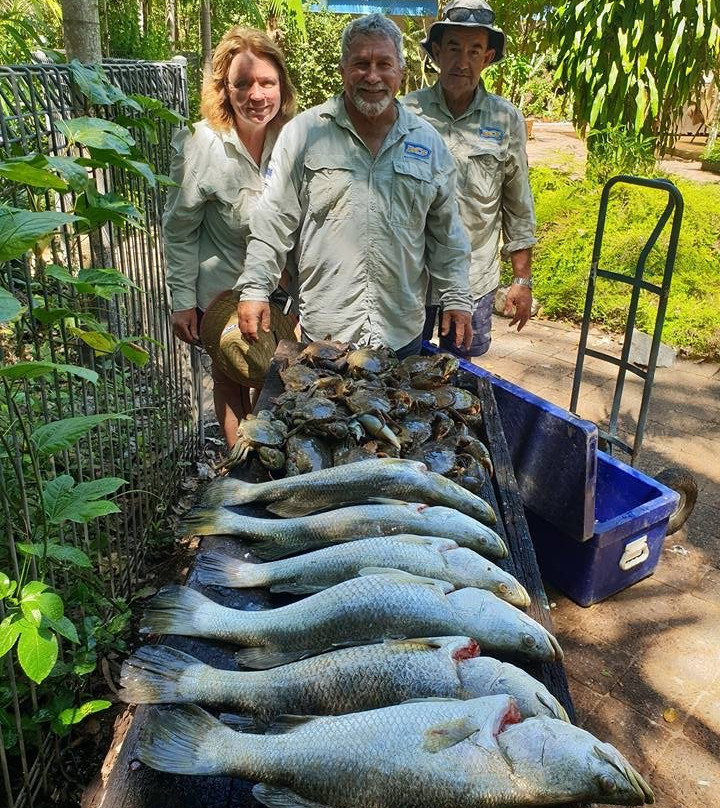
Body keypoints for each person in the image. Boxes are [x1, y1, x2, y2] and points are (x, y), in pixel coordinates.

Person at [235, 14, 473, 360]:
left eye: (384, 64)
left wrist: (455, 297)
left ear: (400, 72)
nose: (372, 76)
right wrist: (255, 287)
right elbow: (273, 220)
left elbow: (447, 235)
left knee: (397, 414)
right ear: (344, 69)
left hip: (401, 333)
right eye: (361, 63)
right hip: (326, 332)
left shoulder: (428, 144)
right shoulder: (304, 133)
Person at [163, 27, 296, 447]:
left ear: (281, 85)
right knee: (230, 377)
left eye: (266, 82)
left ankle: (264, 461)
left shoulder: (298, 139)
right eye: (243, 83)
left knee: (272, 383)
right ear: (225, 89)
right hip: (222, 295)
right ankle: (238, 473)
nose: (256, 95)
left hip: (281, 293)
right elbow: (179, 230)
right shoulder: (201, 145)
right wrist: (183, 300)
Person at [404, 0, 537, 358]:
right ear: (436, 52)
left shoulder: (505, 119)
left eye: (474, 51)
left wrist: (521, 281)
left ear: (488, 57)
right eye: (453, 48)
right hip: (412, 276)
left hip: (473, 277)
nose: (462, 62)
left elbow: (518, 203)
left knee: (461, 377)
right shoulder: (406, 113)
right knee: (400, 373)